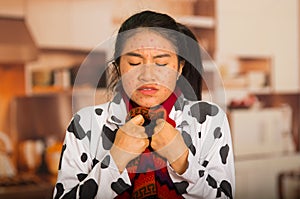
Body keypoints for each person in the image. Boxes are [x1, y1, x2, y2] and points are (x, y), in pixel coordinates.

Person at [53, 10, 235, 199]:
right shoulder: (85, 123)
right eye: (134, 62)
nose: (148, 75)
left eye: (162, 63)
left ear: (180, 67)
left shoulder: (210, 121)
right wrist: (115, 160)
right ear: (118, 67)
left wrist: (183, 161)